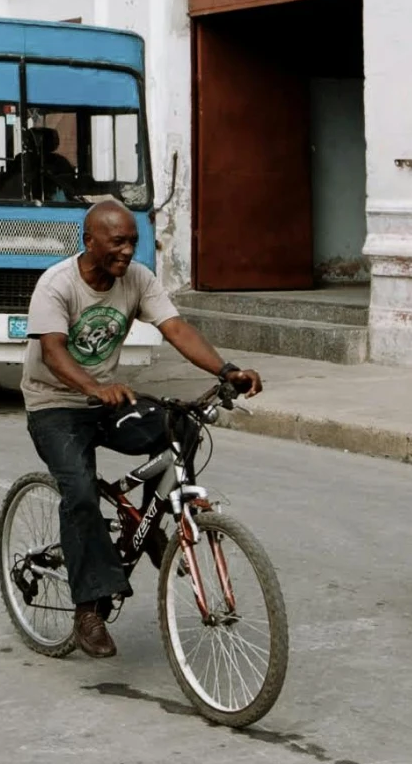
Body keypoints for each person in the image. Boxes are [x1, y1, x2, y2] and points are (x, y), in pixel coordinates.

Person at [23, 201, 261, 659]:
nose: (127, 251)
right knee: (80, 495)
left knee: (180, 427)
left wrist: (226, 370)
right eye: (118, 242)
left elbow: (176, 328)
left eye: (132, 241)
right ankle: (88, 609)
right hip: (55, 405)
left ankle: (148, 524)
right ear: (89, 241)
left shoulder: (137, 279)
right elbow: (53, 351)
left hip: (107, 399)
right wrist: (94, 386)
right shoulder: (56, 285)